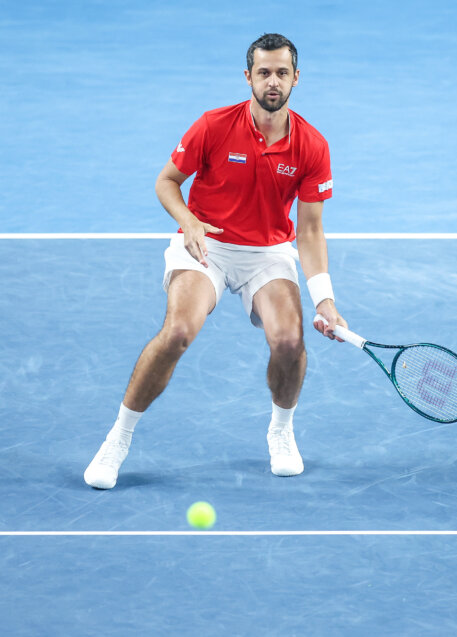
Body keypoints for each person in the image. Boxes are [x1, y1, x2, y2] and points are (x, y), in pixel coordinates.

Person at [84, 33, 344, 489]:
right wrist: (189, 221)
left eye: (282, 73)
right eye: (263, 72)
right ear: (248, 77)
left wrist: (324, 299)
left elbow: (310, 231)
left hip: (267, 252)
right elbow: (167, 181)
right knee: (178, 332)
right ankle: (117, 439)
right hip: (207, 244)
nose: (272, 81)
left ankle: (281, 433)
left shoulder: (312, 146)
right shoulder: (213, 125)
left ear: (296, 78)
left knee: (289, 340)